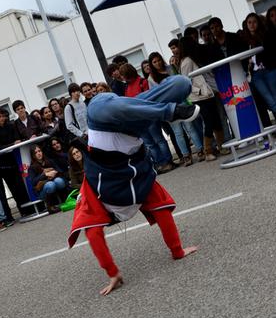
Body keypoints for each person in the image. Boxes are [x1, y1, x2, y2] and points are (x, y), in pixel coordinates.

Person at [68, 76, 199, 296]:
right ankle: (170, 111)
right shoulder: (140, 184)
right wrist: (177, 251)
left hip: (109, 124)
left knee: (101, 102)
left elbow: (92, 232)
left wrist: (113, 273)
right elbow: (161, 210)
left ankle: (168, 111)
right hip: (127, 128)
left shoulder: (100, 192)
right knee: (181, 85)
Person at [179, 37, 228, 161]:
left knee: (216, 120)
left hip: (207, 93)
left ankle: (221, 146)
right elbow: (185, 81)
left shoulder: (193, 58)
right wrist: (198, 91)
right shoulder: (187, 61)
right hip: (199, 97)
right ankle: (208, 151)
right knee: (209, 121)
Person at [242, 13, 276, 135]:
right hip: (256, 75)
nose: (252, 24)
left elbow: (273, 52)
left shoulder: (266, 35)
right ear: (246, 25)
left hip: (270, 69)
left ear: (258, 23)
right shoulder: (245, 41)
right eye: (249, 22)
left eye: (254, 22)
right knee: (270, 101)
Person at [0, 108, 34, 218]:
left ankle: (30, 209)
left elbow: (17, 140)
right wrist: (12, 144)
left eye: (3, 116)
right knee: (13, 188)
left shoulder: (11, 126)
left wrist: (14, 143)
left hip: (16, 160)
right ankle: (22, 210)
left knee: (22, 186)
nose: (2, 119)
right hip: (4, 165)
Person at [27, 146, 67, 214]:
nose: (38, 153)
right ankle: (50, 206)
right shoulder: (32, 167)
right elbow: (33, 182)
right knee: (50, 185)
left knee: (59, 181)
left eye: (39, 151)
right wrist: (45, 175)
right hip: (42, 191)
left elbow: (60, 171)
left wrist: (54, 172)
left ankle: (64, 200)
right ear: (33, 155)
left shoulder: (49, 161)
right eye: (36, 152)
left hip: (54, 183)